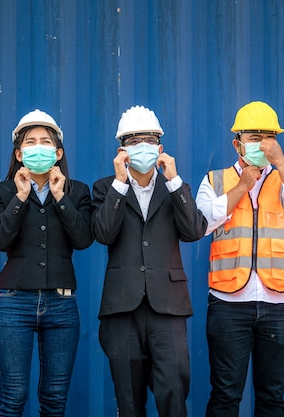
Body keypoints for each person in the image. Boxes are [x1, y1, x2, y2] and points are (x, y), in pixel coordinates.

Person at [196, 101, 284, 417]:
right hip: (227, 305)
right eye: (254, 137)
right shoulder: (215, 180)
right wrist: (242, 187)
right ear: (237, 143)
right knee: (224, 396)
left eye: (268, 137)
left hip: (278, 306)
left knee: (272, 399)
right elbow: (202, 222)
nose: (261, 144)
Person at [91, 105, 207, 417]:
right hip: (122, 308)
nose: (142, 146)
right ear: (122, 150)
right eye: (134, 141)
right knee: (129, 401)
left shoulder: (175, 188)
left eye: (149, 140)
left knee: (173, 394)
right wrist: (119, 183)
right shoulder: (105, 188)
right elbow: (102, 232)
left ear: (160, 147)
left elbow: (195, 230)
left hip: (167, 307)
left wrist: (174, 181)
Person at [0, 109, 93, 416]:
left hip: (61, 305)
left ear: (58, 152)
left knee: (54, 398)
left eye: (45, 141)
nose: (38, 147)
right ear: (19, 153)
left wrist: (60, 197)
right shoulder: (3, 191)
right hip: (13, 303)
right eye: (30, 142)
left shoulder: (78, 191)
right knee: (13, 397)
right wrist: (20, 198)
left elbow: (84, 239)